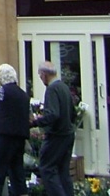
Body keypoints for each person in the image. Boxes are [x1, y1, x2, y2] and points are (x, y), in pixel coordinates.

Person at [0, 63, 30, 196]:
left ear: (1, 78)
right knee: (17, 170)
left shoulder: (3, 91)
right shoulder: (24, 95)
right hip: (19, 137)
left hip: (4, 136)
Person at [32, 61, 76, 196]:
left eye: (40, 76)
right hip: (68, 134)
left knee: (47, 168)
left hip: (56, 136)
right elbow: (73, 113)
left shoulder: (52, 89)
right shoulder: (64, 87)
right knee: (63, 172)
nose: (41, 79)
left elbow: (53, 114)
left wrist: (36, 121)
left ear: (44, 75)